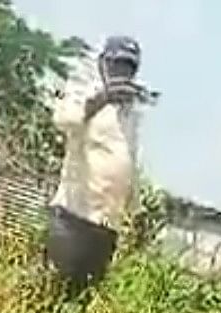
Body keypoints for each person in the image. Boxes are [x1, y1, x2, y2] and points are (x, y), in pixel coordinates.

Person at [46, 35, 149, 297]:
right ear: (103, 63)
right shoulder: (84, 92)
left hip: (105, 227)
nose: (122, 73)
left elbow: (128, 163)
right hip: (73, 216)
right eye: (117, 65)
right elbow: (63, 120)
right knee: (54, 296)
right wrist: (101, 99)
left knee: (82, 302)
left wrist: (135, 210)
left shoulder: (130, 112)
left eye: (128, 67)